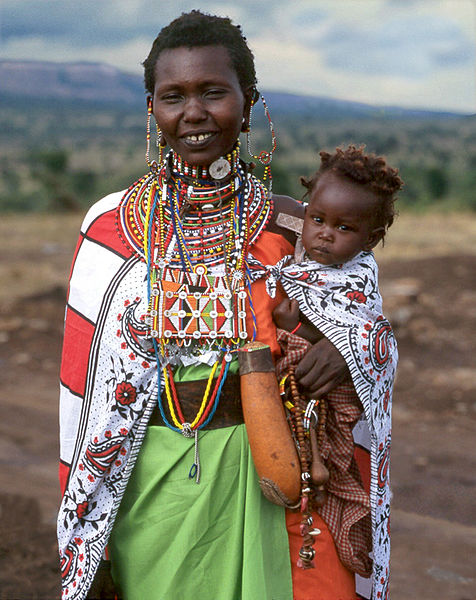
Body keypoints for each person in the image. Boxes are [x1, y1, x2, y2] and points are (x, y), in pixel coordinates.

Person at [57, 11, 364, 600]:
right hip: (151, 480)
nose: (193, 112)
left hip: (275, 471)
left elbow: (369, 335)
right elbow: (83, 393)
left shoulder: (300, 230)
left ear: (248, 103)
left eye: (213, 92)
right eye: (172, 96)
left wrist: (346, 354)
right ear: (152, 109)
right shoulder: (109, 229)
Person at [249, 145, 402, 598]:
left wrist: (298, 328)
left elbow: (365, 335)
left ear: (370, 239)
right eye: (317, 220)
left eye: (344, 228)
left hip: (328, 415)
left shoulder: (357, 277)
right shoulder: (292, 262)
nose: (325, 236)